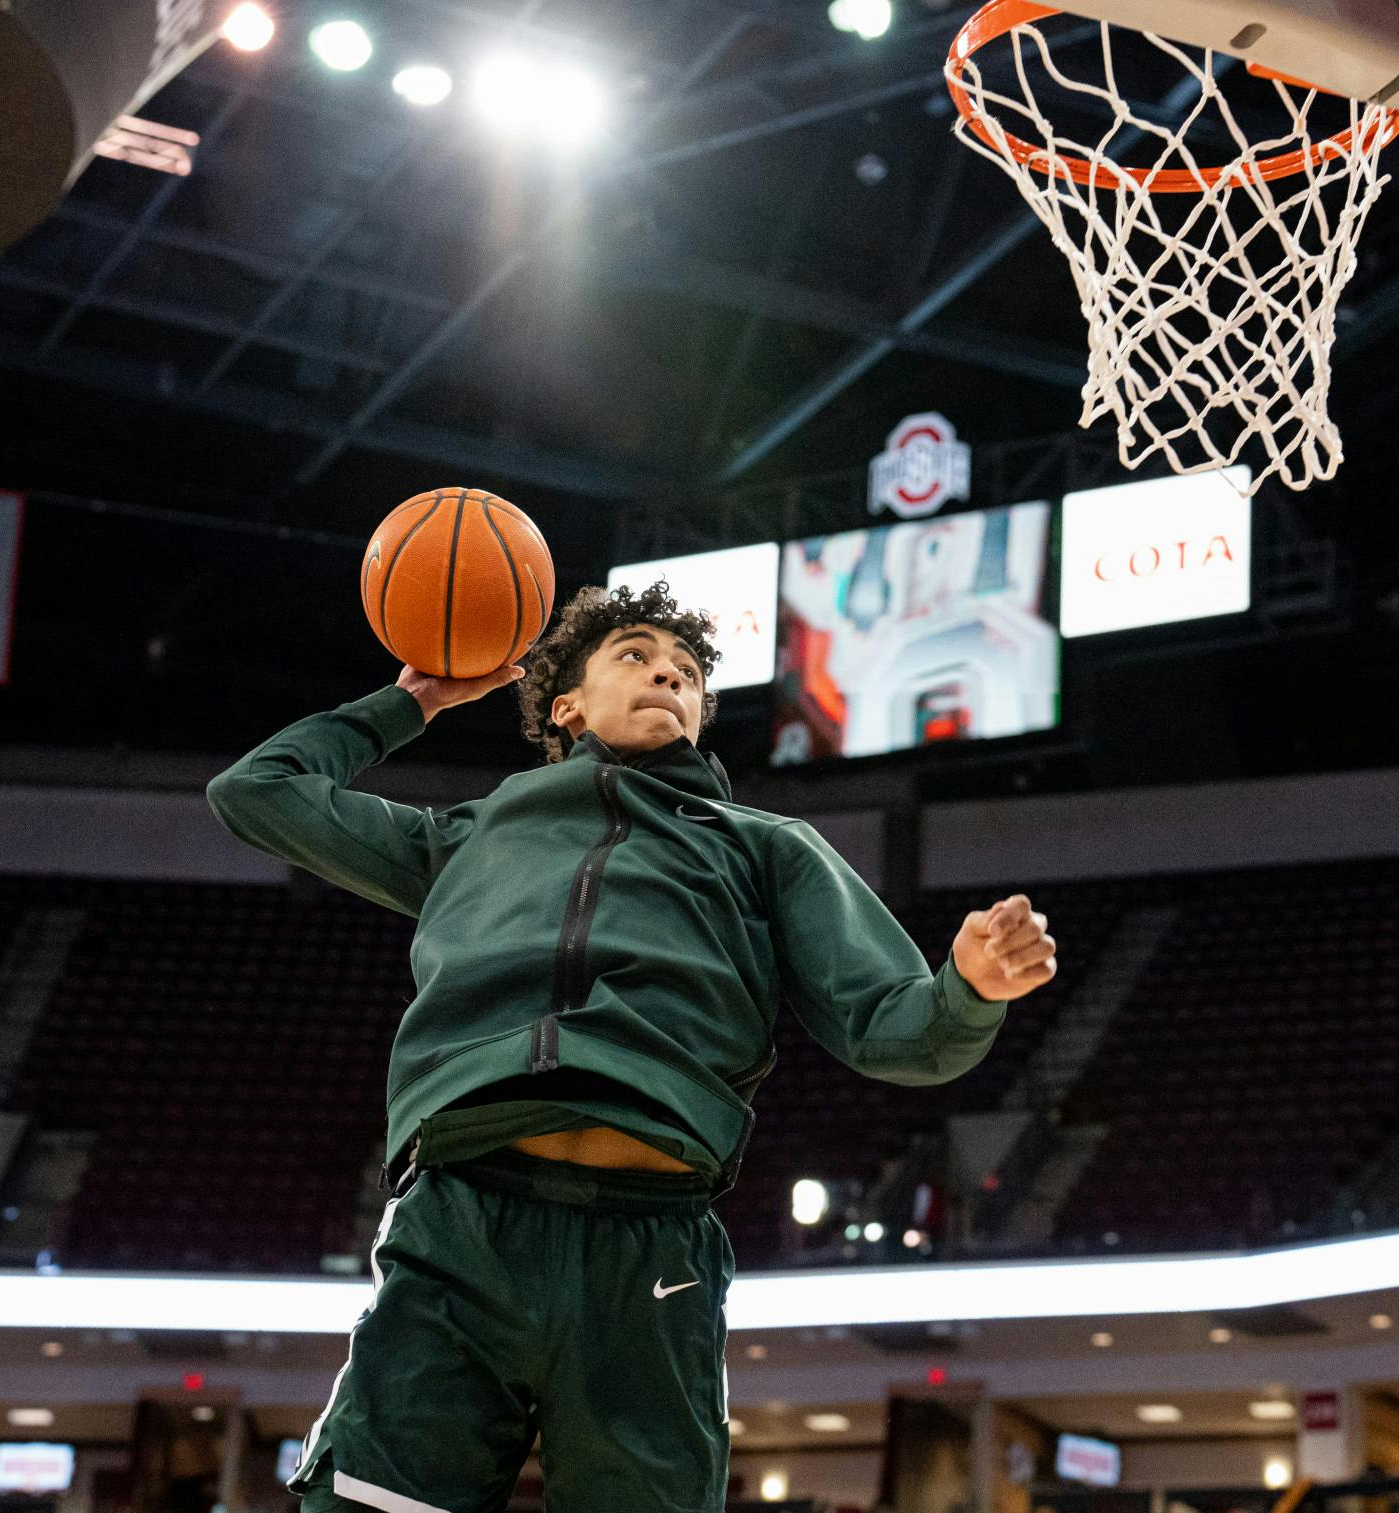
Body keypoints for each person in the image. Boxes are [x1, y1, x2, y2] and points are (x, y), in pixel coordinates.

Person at [206, 579, 1056, 1513]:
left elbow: (904, 1035)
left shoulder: (765, 847)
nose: (668, 674)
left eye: (688, 673)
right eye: (638, 655)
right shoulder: (471, 834)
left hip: (651, 1241)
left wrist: (970, 987)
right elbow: (257, 792)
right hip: (459, 1226)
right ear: (565, 703)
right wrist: (417, 700)